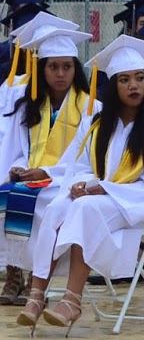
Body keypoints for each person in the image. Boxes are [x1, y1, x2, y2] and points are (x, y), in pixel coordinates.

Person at [19, 35, 144, 334]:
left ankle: (72, 300)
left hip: (134, 207)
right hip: (99, 198)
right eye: (125, 80)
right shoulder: (95, 125)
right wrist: (79, 184)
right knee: (57, 207)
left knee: (85, 210)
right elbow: (76, 167)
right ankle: (37, 295)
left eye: (140, 78)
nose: (134, 86)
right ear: (113, 87)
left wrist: (103, 189)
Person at [0, 23, 94, 310]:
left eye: (67, 66)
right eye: (53, 67)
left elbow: (89, 160)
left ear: (75, 70)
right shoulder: (28, 106)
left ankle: (35, 275)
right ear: (42, 70)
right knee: (4, 195)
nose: (61, 73)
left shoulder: (91, 108)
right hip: (31, 176)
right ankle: (13, 272)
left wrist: (48, 173)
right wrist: (18, 168)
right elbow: (18, 150)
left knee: (43, 201)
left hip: (65, 181)